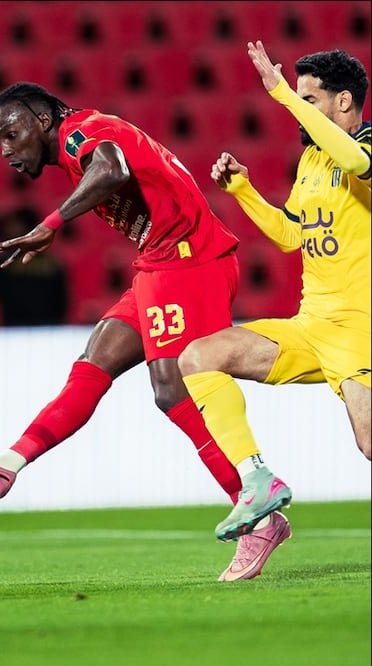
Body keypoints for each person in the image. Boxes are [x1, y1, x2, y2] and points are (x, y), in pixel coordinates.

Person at [0, 81, 255, 576]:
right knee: (94, 361)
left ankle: (254, 507)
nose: (5, 150)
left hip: (192, 262)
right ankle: (5, 465)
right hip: (159, 265)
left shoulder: (82, 132)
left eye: (11, 133)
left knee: (173, 389)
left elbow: (112, 168)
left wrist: (50, 225)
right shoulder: (75, 146)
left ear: (42, 120)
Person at [178, 42, 370, 580]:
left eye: (312, 100)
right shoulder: (311, 157)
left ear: (345, 102)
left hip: (363, 329)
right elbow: (292, 235)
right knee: (199, 357)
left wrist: (282, 92)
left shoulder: (364, 144)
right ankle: (257, 482)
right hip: (312, 326)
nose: (300, 112)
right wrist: (243, 191)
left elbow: (357, 161)